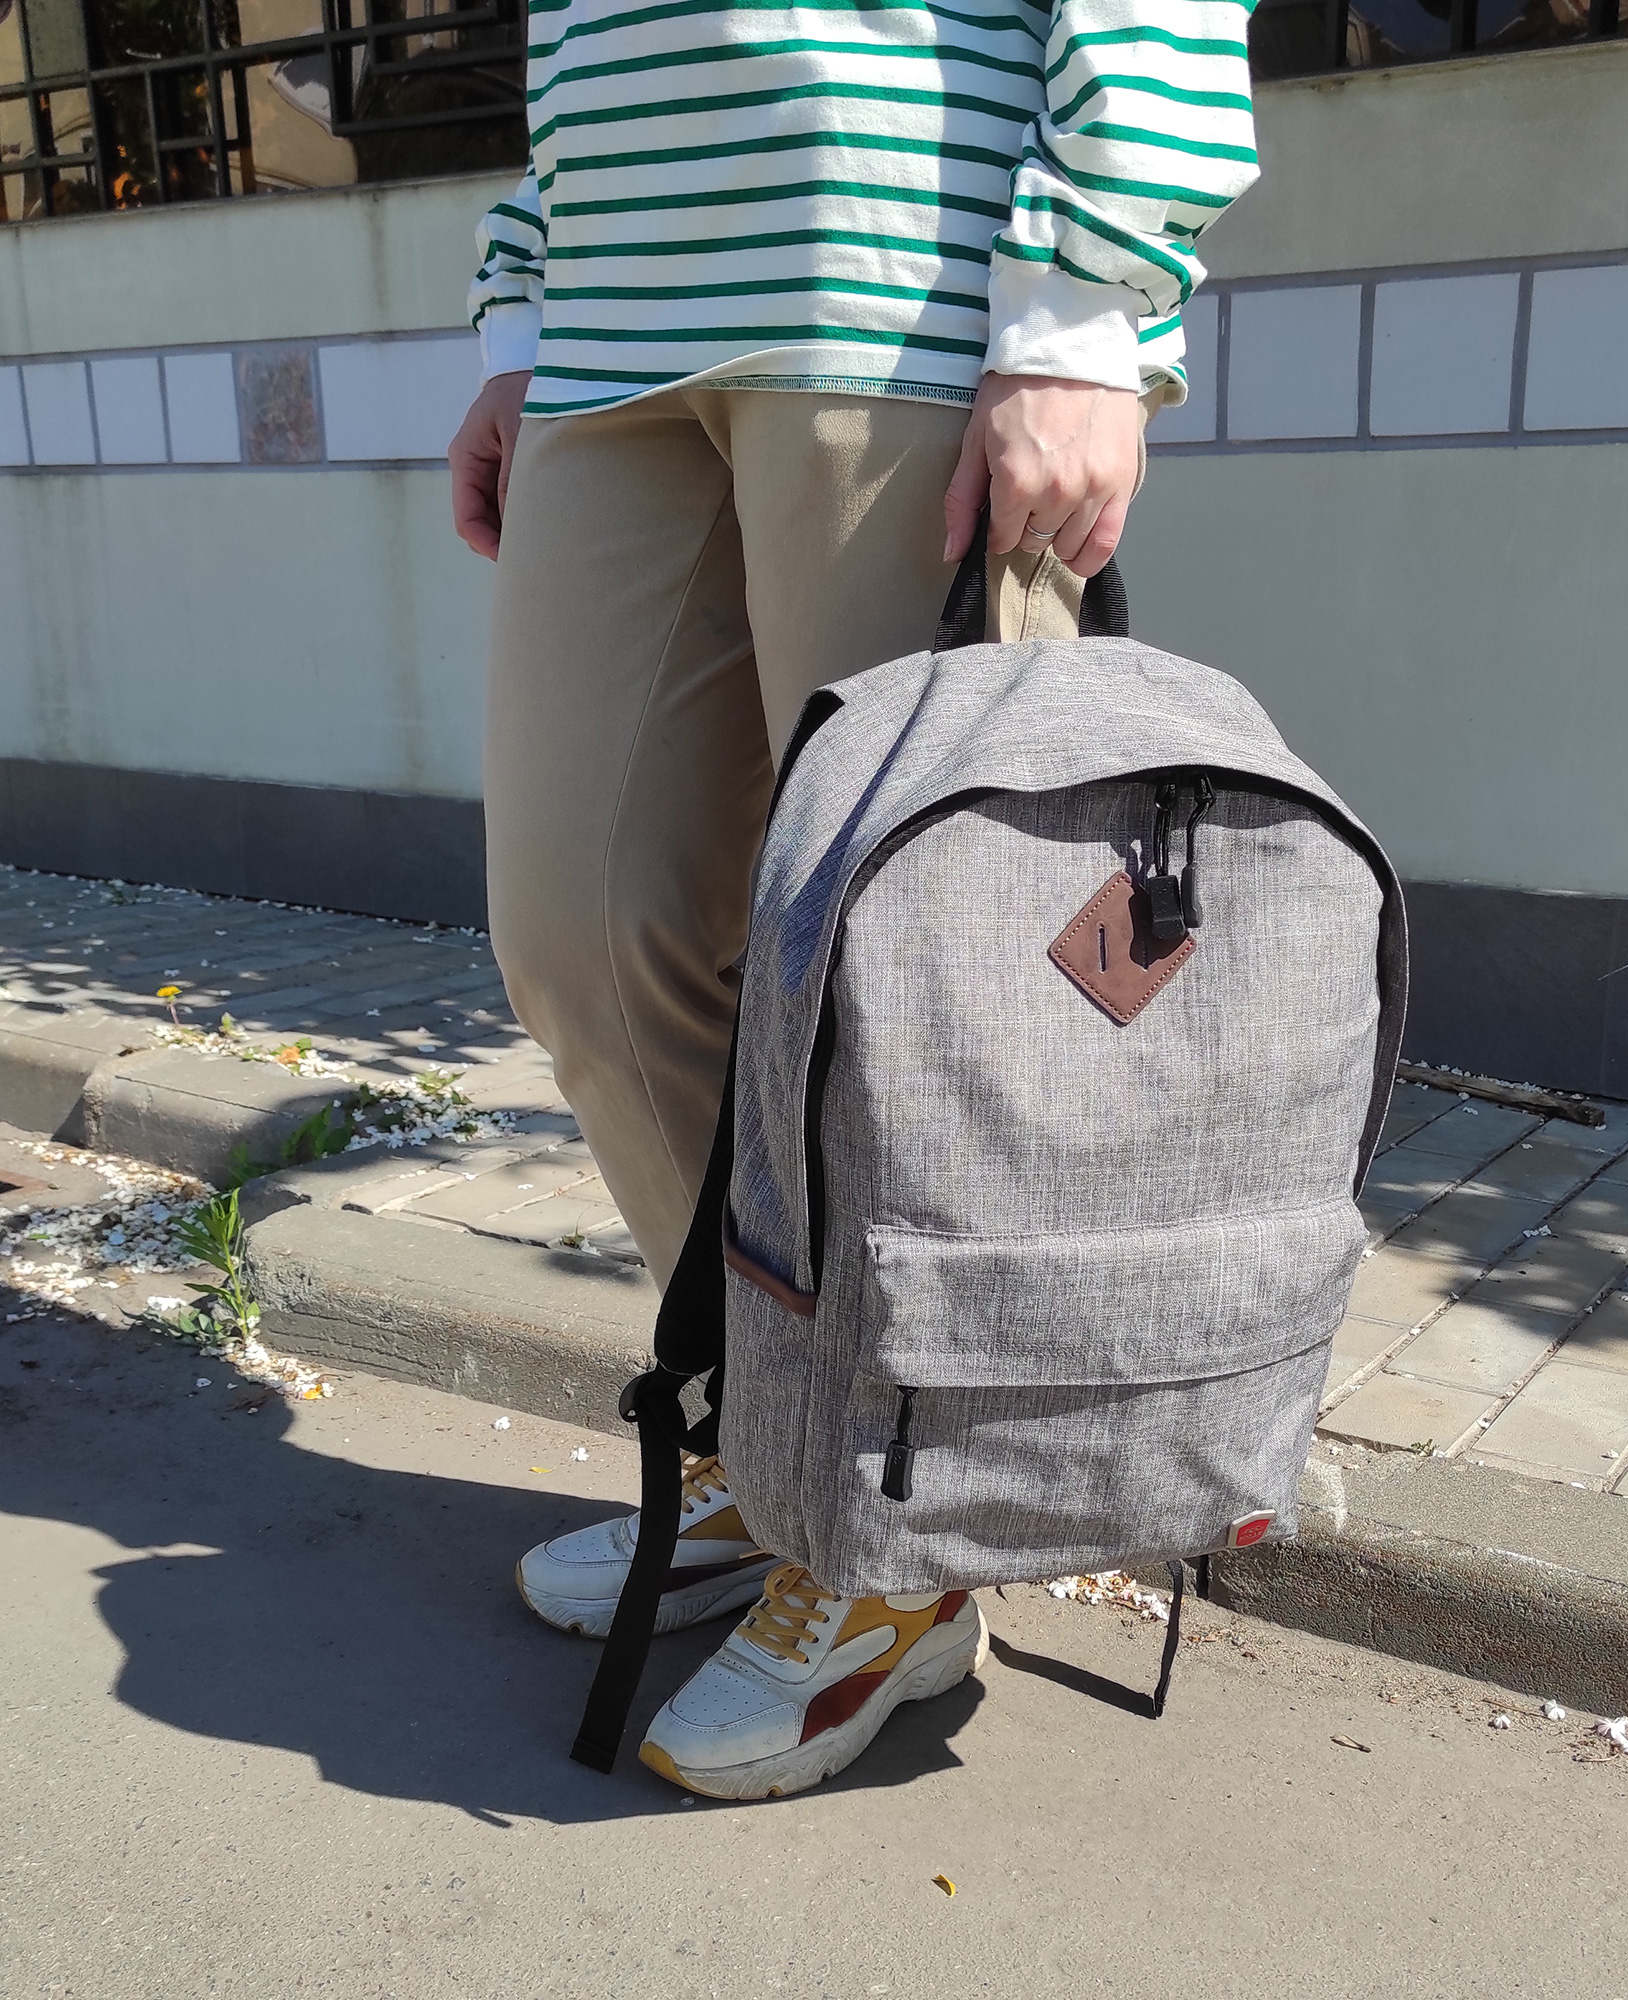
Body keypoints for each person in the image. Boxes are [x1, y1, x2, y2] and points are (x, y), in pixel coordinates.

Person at [449, 0, 1259, 1799]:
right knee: (584, 936)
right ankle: (774, 1448)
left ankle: (895, 1541)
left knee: (910, 994)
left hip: (900, 280)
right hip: (609, 333)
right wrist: (524, 304)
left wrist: (1083, 299)